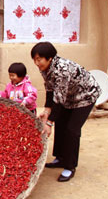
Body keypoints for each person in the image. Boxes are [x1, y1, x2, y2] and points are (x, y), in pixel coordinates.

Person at [31, 42, 101, 182]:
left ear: (49, 57)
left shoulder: (62, 70)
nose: (36, 63)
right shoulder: (44, 67)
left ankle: (70, 167)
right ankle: (61, 158)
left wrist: (49, 123)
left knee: (72, 130)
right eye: (35, 59)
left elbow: (59, 99)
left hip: (85, 96)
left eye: (39, 59)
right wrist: (47, 110)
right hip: (69, 96)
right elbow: (50, 89)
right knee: (61, 125)